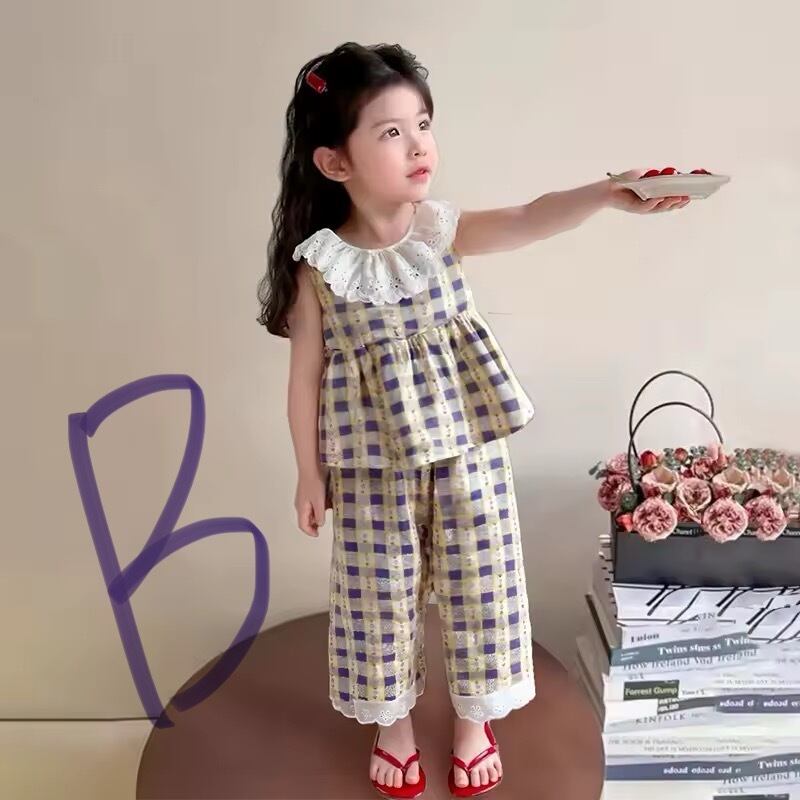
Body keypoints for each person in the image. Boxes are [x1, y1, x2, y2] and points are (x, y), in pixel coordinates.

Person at [256, 41, 689, 799]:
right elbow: (304, 379)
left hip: (467, 451)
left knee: (482, 584)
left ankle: (472, 720)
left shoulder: (439, 231)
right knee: (376, 596)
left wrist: (606, 192)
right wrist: (307, 474)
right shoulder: (319, 266)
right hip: (370, 466)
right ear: (335, 162)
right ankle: (392, 725)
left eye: (423, 124)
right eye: (392, 131)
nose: (419, 144)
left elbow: (529, 216)